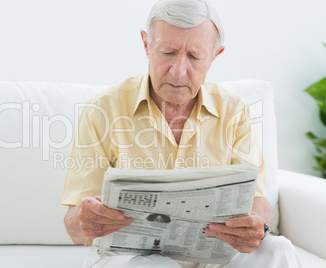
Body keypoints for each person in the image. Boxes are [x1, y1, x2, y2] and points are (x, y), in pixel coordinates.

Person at [61, 0, 302, 267]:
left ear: (214, 55)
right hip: (130, 257)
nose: (178, 70)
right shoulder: (103, 109)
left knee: (277, 249)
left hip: (213, 255)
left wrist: (256, 225)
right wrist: (88, 219)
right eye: (168, 52)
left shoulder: (235, 111)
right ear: (146, 45)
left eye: (194, 56)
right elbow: (74, 227)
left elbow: (257, 199)